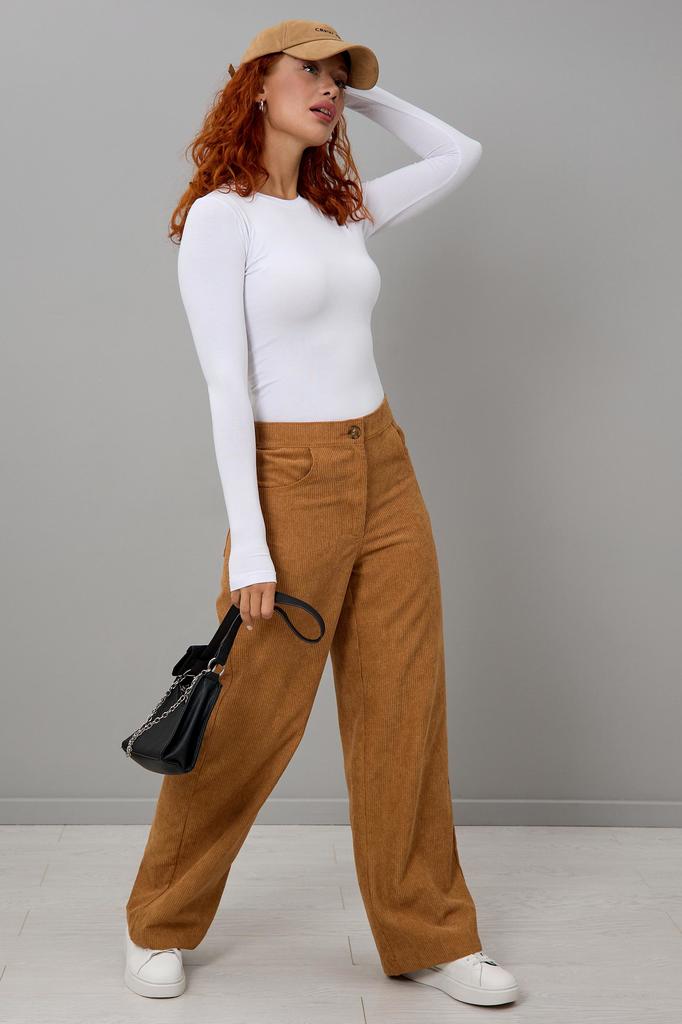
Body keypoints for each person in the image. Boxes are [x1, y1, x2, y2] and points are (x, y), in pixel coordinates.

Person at [124, 19, 520, 1008]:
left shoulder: (340, 211)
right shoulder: (222, 219)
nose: (328, 87)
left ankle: (428, 932)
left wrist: (362, 95)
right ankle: (159, 922)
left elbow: (459, 154)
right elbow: (225, 386)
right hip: (289, 477)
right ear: (255, 85)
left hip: (384, 463)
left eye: (337, 76)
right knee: (248, 715)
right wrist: (251, 545)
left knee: (404, 707)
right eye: (307, 70)